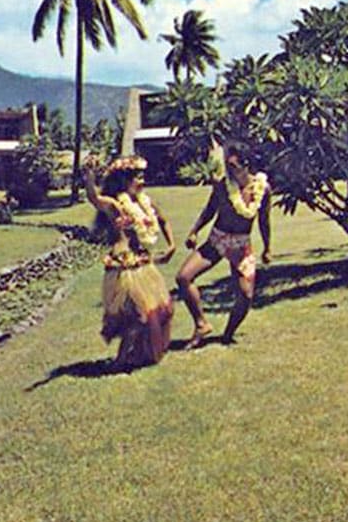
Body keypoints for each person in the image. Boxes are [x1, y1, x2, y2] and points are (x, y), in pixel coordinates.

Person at [84, 156, 175, 370]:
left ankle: (128, 356)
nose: (142, 182)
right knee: (139, 316)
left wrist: (171, 246)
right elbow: (95, 198)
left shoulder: (146, 202)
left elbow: (163, 220)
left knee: (158, 311)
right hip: (124, 266)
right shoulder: (116, 204)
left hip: (143, 264)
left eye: (143, 177)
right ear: (125, 181)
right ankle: (122, 358)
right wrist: (89, 178)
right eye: (137, 178)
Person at [176, 143, 272, 347]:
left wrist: (267, 248)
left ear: (246, 164)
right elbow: (209, 210)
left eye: (233, 165)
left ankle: (228, 334)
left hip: (241, 245)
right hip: (217, 240)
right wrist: (194, 231)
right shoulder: (222, 185)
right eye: (227, 165)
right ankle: (201, 324)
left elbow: (264, 221)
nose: (229, 170)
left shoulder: (263, 189)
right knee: (183, 277)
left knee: (246, 295)